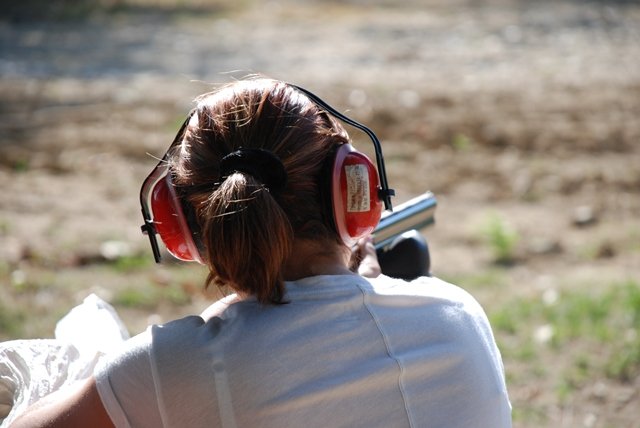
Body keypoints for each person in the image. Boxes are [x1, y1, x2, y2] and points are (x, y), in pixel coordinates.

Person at [11, 78, 511, 427]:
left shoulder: (174, 366)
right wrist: (367, 278)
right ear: (351, 194)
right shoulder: (457, 315)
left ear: (184, 226)